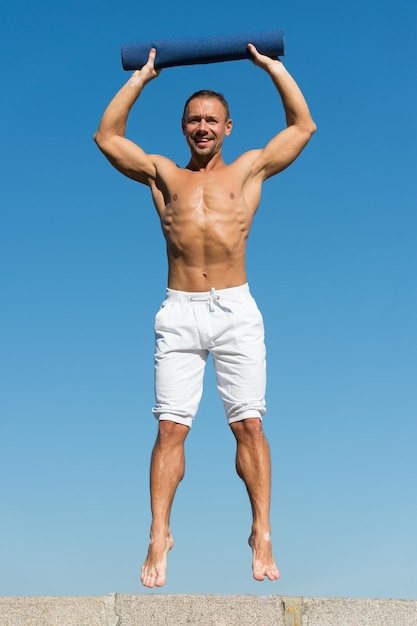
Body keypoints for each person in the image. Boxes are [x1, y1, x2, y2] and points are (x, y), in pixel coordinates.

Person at [94, 44, 316, 589]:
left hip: (236, 308)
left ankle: (262, 529)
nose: (202, 127)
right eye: (194, 119)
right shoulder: (163, 175)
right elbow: (107, 137)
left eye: (211, 120)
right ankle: (158, 532)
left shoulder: (248, 171)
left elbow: (302, 126)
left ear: (228, 127)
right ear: (183, 126)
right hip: (179, 310)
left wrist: (272, 68)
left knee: (249, 424)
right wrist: (141, 77)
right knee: (171, 428)